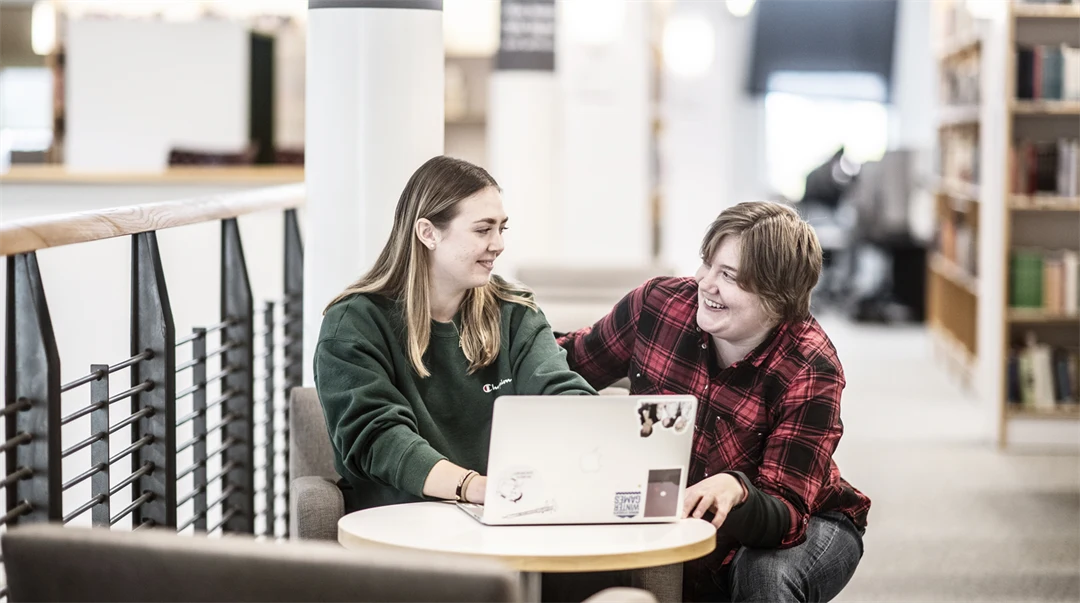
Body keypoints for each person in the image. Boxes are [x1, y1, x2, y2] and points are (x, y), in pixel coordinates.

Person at [558, 201, 871, 603]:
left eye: (730, 276)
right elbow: (570, 360)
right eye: (707, 264)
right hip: (685, 509)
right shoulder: (659, 305)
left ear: (779, 297)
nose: (706, 283)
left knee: (764, 575)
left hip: (808, 518)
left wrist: (737, 489)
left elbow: (787, 513)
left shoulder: (810, 366)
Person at [314, 155, 597, 513]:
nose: (498, 244)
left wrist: (592, 427)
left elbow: (558, 388)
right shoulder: (354, 324)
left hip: (505, 513)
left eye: (502, 229)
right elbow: (378, 439)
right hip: (401, 522)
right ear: (428, 233)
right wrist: (473, 487)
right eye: (483, 229)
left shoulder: (514, 312)